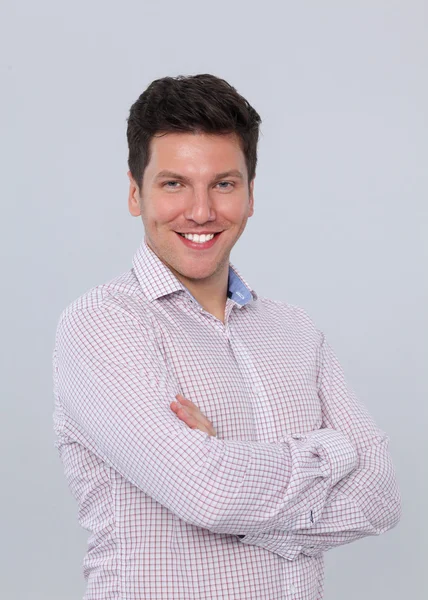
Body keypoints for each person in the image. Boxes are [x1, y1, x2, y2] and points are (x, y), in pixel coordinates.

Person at [52, 73, 402, 600]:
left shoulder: (297, 331)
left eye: (223, 183)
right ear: (134, 192)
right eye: (174, 184)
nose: (201, 211)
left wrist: (231, 461)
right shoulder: (102, 324)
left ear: (250, 193)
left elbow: (380, 498)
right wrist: (331, 454)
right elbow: (209, 492)